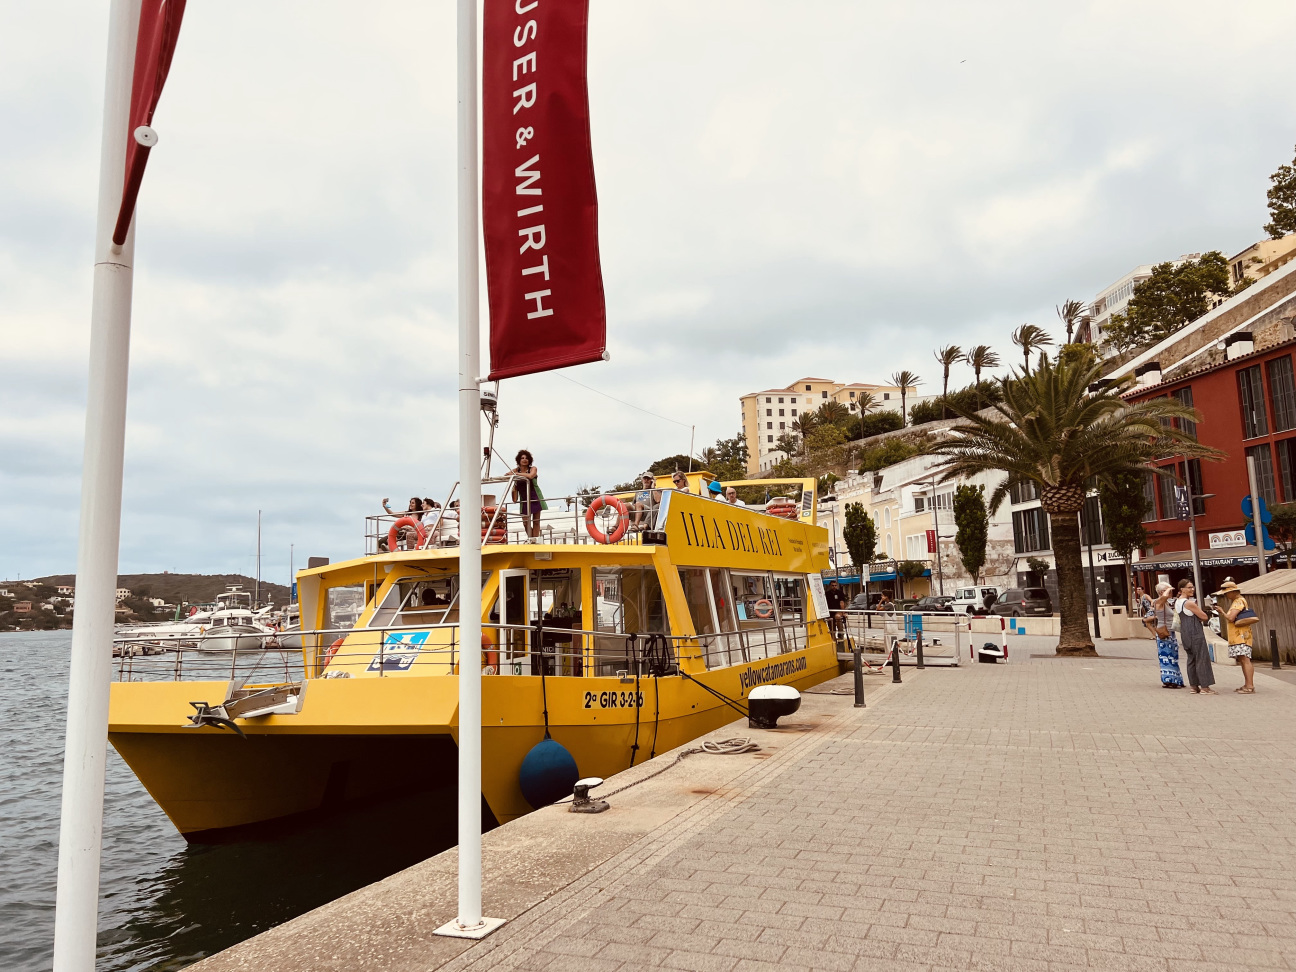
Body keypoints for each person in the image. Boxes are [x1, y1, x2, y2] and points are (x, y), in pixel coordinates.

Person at [1174, 578, 1216, 695]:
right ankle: (1204, 687)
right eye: (1189, 587)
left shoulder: (1178, 602)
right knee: (1202, 658)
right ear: (1182, 589)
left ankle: (1193, 686)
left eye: (1192, 587)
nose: (1192, 589)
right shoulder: (1189, 603)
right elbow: (1204, 616)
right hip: (1195, 632)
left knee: (1191, 659)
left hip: (1185, 633)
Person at [1214, 580, 1256, 694]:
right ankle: (1247, 684)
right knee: (1243, 659)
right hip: (1239, 634)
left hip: (1241, 635)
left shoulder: (1238, 601)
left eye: (1227, 593)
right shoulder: (1238, 601)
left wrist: (1222, 611)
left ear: (1233, 592)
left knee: (1245, 659)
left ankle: (1250, 685)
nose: (1226, 596)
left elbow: (1231, 618)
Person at [1145, 581, 1184, 688]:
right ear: (1162, 592)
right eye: (1169, 590)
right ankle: (1169, 679)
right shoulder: (1159, 602)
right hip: (1165, 632)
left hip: (1170, 632)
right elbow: (1164, 596)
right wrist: (1167, 589)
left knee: (1172, 656)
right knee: (1168, 656)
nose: (1171, 592)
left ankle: (1175, 679)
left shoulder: (1165, 603)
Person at [512, 449, 542, 539]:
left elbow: (530, 476)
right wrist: (515, 474)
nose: (524, 460)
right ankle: (531, 538)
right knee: (525, 522)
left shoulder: (532, 469)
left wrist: (517, 474)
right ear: (519, 460)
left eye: (526, 458)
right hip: (524, 499)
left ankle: (534, 539)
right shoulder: (516, 470)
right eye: (522, 458)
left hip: (534, 496)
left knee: (536, 521)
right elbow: (507, 474)